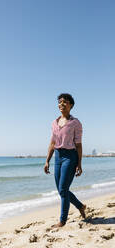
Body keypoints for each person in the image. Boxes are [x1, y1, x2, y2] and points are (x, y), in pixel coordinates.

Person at [44, 93, 86, 228]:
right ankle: (80, 206)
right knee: (62, 190)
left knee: (63, 188)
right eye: (60, 102)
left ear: (71, 105)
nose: (61, 104)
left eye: (65, 102)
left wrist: (79, 163)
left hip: (70, 156)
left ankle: (62, 221)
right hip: (57, 156)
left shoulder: (75, 123)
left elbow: (78, 145)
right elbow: (52, 143)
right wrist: (47, 161)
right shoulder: (54, 123)